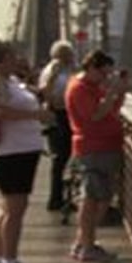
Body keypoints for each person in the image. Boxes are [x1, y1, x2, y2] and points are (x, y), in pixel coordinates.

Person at [0, 39, 50, 263]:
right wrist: (35, 114)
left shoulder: (9, 80)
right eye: (11, 57)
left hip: (20, 151)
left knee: (8, 208)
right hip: (11, 153)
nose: (16, 59)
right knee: (15, 210)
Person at [64, 49, 127, 263]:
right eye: (103, 73)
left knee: (102, 197)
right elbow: (95, 115)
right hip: (93, 149)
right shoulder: (79, 88)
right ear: (91, 68)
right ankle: (87, 246)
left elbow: (111, 111)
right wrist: (112, 92)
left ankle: (83, 242)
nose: (105, 78)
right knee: (91, 199)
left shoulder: (93, 87)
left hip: (105, 147)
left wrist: (119, 93)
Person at [37, 40, 76, 213]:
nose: (72, 56)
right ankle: (56, 198)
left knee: (63, 158)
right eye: (69, 53)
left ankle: (60, 197)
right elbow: (46, 93)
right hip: (59, 115)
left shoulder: (64, 69)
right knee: (61, 158)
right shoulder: (54, 69)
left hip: (63, 114)